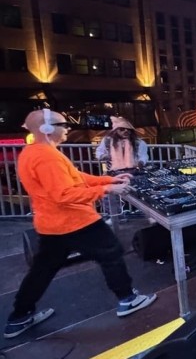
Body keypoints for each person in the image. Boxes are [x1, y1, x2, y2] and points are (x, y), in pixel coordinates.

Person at [4, 109, 156, 339]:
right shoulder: (46, 157)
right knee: (112, 252)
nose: (67, 129)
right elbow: (64, 195)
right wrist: (107, 189)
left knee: (42, 269)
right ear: (47, 129)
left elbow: (76, 178)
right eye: (63, 125)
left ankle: (19, 317)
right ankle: (128, 299)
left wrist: (108, 179)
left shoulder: (33, 152)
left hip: (51, 224)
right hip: (74, 220)